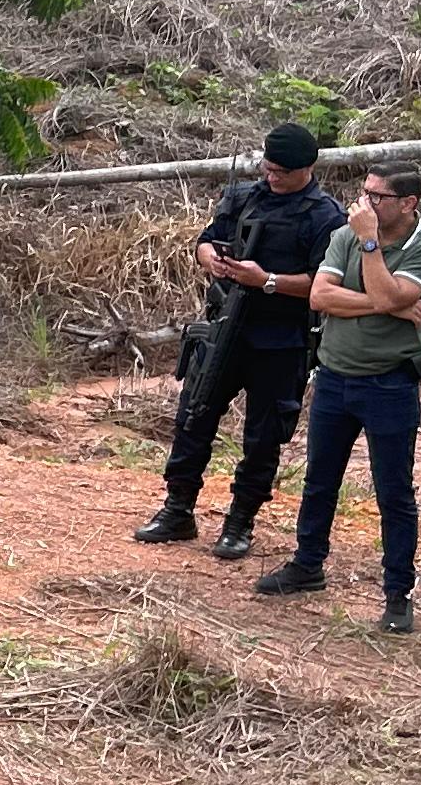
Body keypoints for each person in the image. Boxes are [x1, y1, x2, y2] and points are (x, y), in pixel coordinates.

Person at [250, 162, 421, 633]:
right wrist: (386, 305)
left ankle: (398, 593)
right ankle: (307, 564)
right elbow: (321, 297)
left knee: (393, 492)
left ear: (408, 203)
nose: (365, 205)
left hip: (389, 383)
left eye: (377, 197)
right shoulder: (346, 233)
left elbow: (385, 288)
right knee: (320, 479)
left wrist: (369, 249)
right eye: (364, 193)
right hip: (335, 377)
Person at [135, 122, 346, 559]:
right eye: (266, 169)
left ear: (305, 169)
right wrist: (210, 258)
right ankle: (178, 508)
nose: (271, 178)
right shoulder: (244, 196)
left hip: (281, 339)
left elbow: (323, 284)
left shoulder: (325, 216)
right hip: (225, 326)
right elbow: (207, 240)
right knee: (194, 415)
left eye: (280, 173)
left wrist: (266, 280)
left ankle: (240, 521)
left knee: (264, 436)